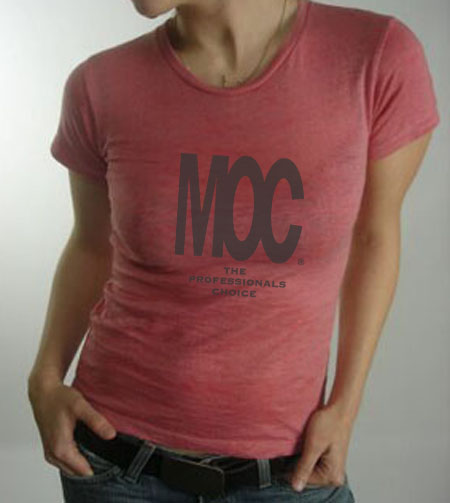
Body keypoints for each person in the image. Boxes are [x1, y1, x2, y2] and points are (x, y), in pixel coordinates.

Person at [28, 0, 440, 502]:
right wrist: (44, 378)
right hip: (114, 464)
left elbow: (375, 236)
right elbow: (92, 246)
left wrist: (345, 405)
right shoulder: (99, 84)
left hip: (291, 470)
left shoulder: (375, 58)